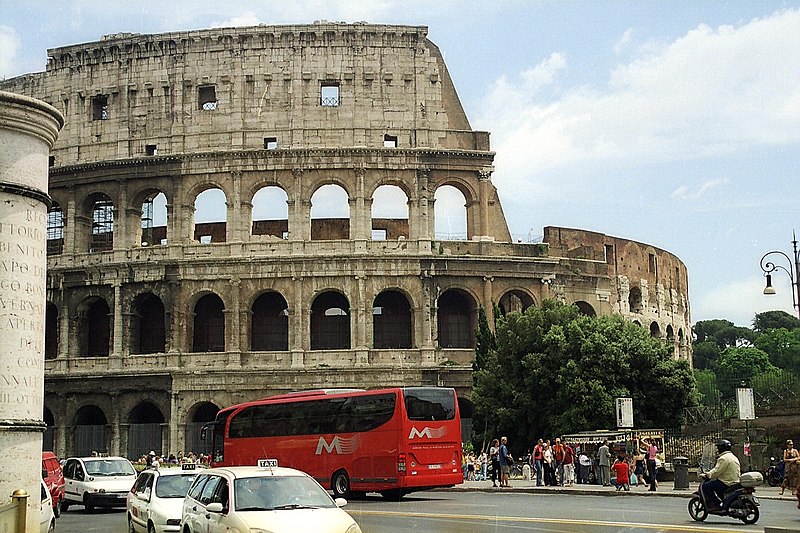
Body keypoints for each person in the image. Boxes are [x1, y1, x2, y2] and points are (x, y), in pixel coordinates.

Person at [701, 439, 741, 512]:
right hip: (735, 481)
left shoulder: (723, 458)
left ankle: (716, 504)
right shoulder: (733, 457)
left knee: (706, 486)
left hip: (727, 482)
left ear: (721, 448)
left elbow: (717, 471)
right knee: (715, 484)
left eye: (718, 448)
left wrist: (707, 475)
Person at [780, 439, 800, 509]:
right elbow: (784, 459)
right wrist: (789, 460)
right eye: (790, 444)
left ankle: (793, 490)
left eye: (792, 444)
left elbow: (798, 457)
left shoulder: (795, 451)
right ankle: (782, 490)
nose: (791, 445)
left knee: (795, 478)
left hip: (794, 466)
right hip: (788, 466)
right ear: (787, 445)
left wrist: (794, 459)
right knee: (786, 478)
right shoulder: (786, 451)